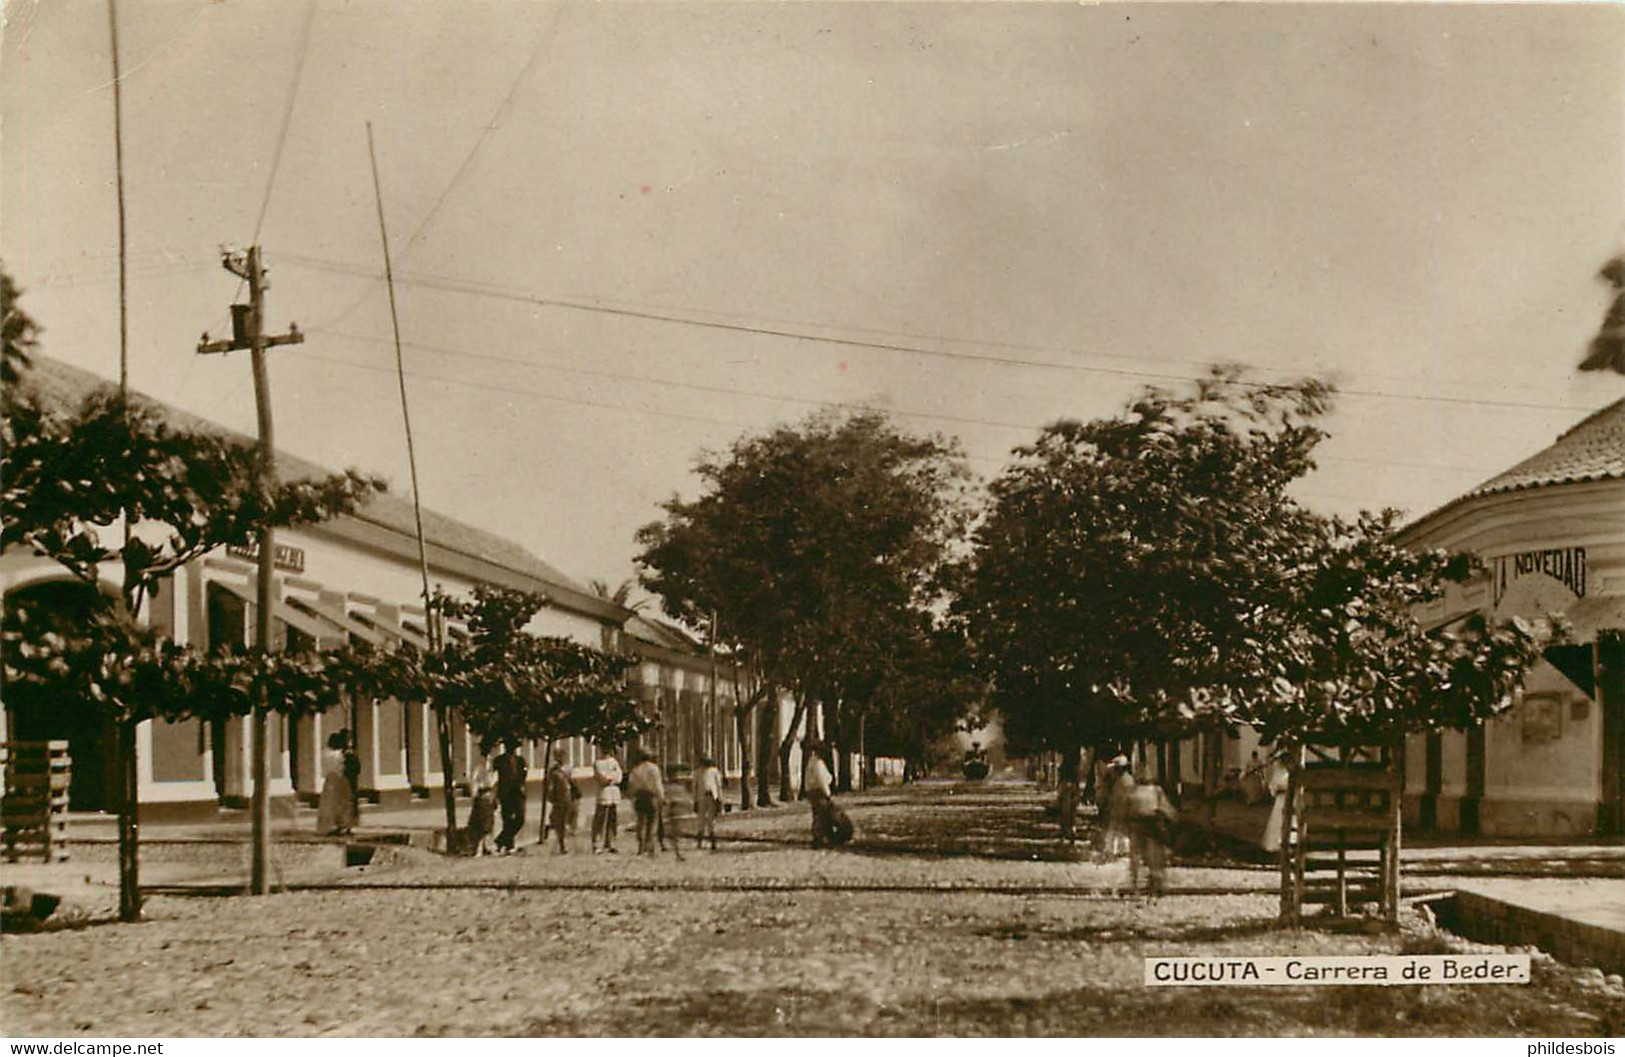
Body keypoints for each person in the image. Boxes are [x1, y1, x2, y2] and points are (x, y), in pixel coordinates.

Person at [1125, 764, 1178, 897]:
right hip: (1139, 824)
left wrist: (1172, 816)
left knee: (1152, 855)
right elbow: (1125, 808)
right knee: (1139, 856)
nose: (1143, 774)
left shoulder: (1154, 790)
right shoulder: (1133, 790)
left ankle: (1153, 884)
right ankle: (1138, 884)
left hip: (1150, 824)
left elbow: (1165, 806)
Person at [316, 731, 356, 836]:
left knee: (329, 804)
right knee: (343, 803)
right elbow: (342, 766)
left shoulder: (324, 753)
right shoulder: (340, 754)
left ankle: (329, 826)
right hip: (340, 779)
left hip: (329, 779)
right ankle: (343, 825)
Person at [493, 739, 528, 854]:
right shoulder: (499, 760)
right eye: (510, 746)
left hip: (517, 792)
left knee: (520, 819)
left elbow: (524, 775)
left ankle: (500, 840)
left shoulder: (520, 761)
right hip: (506, 793)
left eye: (513, 747)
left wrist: (521, 787)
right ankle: (509, 845)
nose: (512, 749)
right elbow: (495, 777)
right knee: (507, 819)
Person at [627, 751, 665, 856]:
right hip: (651, 796)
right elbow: (658, 784)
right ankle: (650, 845)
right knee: (652, 822)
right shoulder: (654, 768)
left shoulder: (635, 769)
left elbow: (631, 784)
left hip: (639, 796)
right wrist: (661, 797)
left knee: (641, 821)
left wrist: (632, 797)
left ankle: (641, 845)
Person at [803, 739, 835, 848]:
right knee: (822, 815)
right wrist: (827, 793)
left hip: (812, 791)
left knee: (817, 815)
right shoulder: (818, 763)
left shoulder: (811, 761)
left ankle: (818, 837)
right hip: (818, 791)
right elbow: (821, 779)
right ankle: (821, 838)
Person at [591, 750, 623, 854]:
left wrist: (613, 779)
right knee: (600, 819)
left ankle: (610, 842)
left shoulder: (614, 762)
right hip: (604, 793)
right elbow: (601, 777)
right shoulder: (598, 763)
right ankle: (597, 844)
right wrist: (609, 779)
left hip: (613, 792)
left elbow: (619, 775)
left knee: (612, 819)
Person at [1261, 749, 1292, 854]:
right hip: (1280, 798)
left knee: (1290, 820)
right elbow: (1272, 786)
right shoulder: (1278, 773)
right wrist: (1277, 791)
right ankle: (1274, 845)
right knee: (1277, 820)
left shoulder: (1290, 774)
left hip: (1289, 798)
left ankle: (1290, 843)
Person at [544, 749, 574, 854]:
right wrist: (549, 795)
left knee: (564, 820)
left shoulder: (568, 769)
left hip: (567, 796)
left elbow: (571, 782)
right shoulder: (553, 771)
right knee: (560, 821)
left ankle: (551, 828)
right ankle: (562, 845)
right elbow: (549, 785)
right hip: (558, 797)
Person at [693, 756, 723, 851]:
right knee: (701, 820)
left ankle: (712, 841)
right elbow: (695, 787)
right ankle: (699, 841)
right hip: (701, 797)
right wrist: (695, 800)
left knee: (711, 820)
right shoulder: (697, 772)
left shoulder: (714, 771)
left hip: (712, 796)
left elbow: (718, 786)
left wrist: (720, 799)